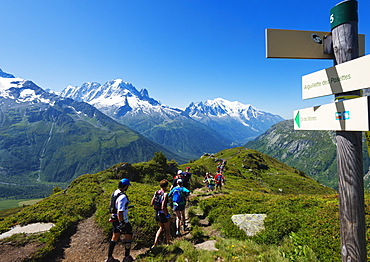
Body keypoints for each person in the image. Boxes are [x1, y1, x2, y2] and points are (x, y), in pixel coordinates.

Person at [105, 178, 134, 262]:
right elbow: (120, 211)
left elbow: (113, 205)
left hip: (114, 219)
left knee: (115, 237)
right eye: (127, 186)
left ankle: (109, 258)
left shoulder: (115, 193)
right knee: (129, 236)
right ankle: (126, 257)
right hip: (122, 220)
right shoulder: (123, 197)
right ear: (125, 186)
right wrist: (122, 223)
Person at [150, 179, 171, 248]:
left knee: (161, 227)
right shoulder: (165, 194)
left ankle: (155, 244)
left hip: (157, 213)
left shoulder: (156, 192)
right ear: (166, 186)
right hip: (163, 213)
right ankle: (168, 242)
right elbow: (163, 206)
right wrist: (167, 215)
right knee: (167, 228)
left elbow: (152, 202)